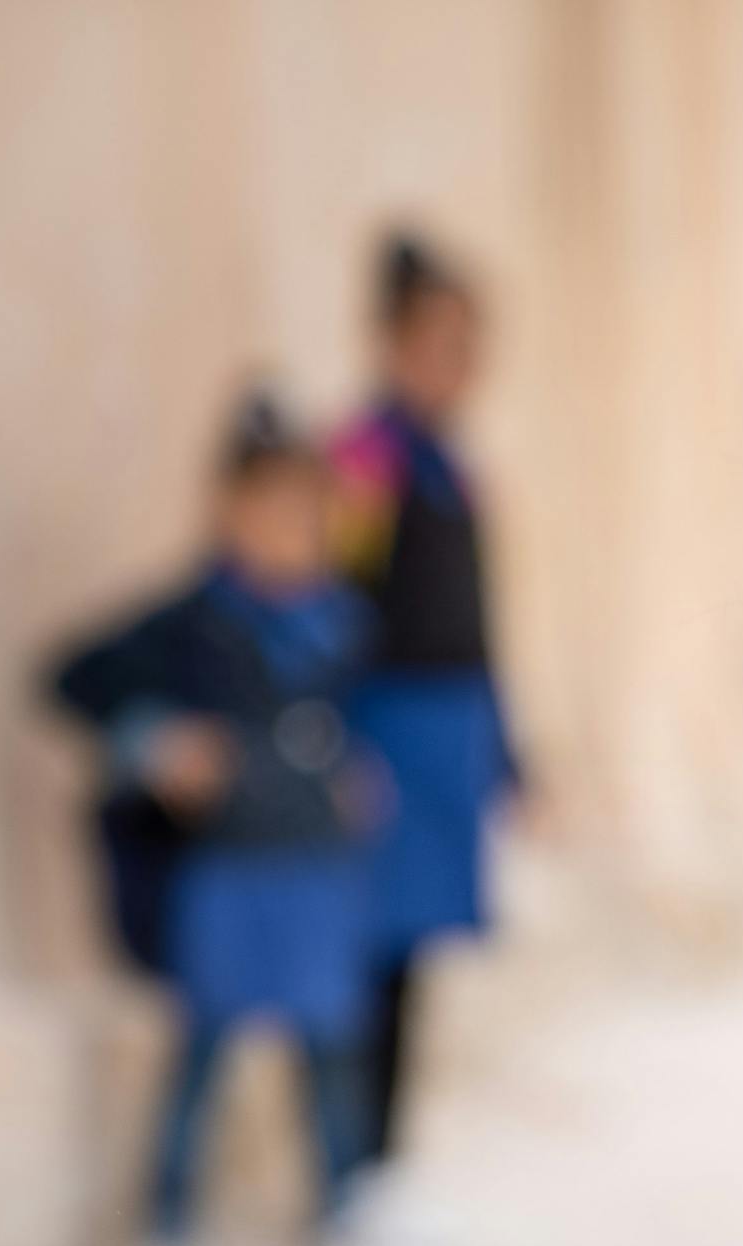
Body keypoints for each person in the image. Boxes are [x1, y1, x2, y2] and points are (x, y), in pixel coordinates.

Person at [49, 392, 381, 1246]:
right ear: (227, 509)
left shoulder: (341, 624)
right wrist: (153, 742)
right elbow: (70, 678)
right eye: (267, 508)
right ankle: (169, 1232)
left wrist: (359, 772)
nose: (286, 530)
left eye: (303, 511)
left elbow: (351, 724)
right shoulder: (191, 622)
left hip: (315, 872)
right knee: (202, 1056)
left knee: (330, 1055)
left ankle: (343, 1214)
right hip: (226, 876)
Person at [328, 230, 515, 1177]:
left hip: (449, 734)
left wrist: (510, 753)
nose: (459, 363)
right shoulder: (366, 460)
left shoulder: (452, 466)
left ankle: (382, 1169)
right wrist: (336, 739)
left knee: (412, 959)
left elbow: (477, 618)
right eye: (441, 340)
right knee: (368, 956)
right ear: (394, 343)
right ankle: (352, 1171)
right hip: (385, 732)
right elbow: (334, 600)